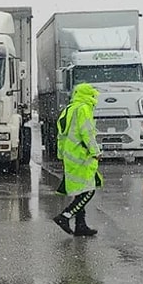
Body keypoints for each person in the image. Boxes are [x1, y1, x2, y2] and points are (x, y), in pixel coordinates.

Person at [52, 83, 104, 237]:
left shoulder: (69, 109)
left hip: (70, 155)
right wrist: (96, 151)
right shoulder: (83, 109)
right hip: (82, 155)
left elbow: (60, 134)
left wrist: (61, 155)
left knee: (79, 190)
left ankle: (81, 225)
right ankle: (65, 216)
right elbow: (87, 132)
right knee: (89, 191)